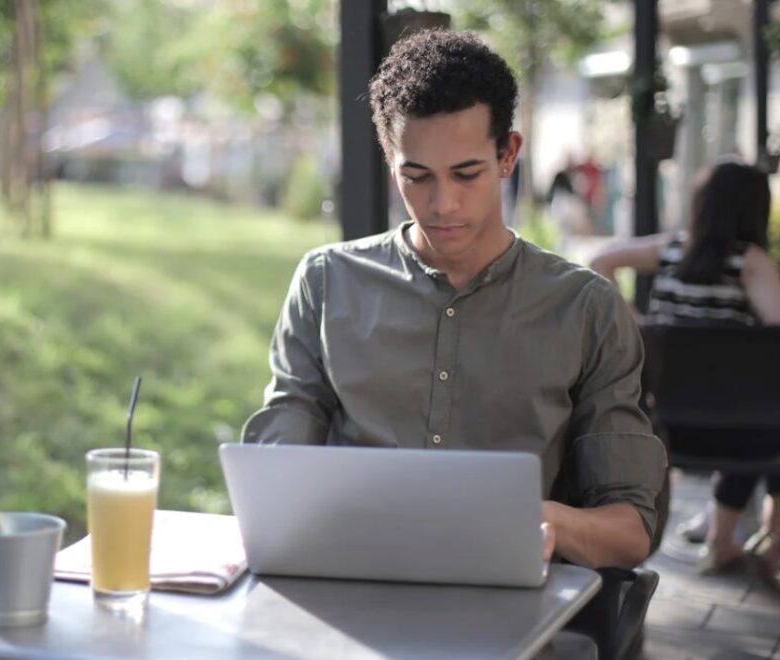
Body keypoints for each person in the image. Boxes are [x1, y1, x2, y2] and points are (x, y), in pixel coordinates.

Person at [242, 29, 666, 570]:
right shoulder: (327, 282)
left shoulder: (586, 309)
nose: (442, 204)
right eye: (415, 176)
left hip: (509, 605)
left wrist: (533, 519)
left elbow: (629, 532)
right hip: (351, 584)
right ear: (390, 159)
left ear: (508, 154)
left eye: (467, 173)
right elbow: (276, 478)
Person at [590, 161, 780, 586]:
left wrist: (637, 323)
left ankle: (729, 538)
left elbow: (599, 261)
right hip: (742, 433)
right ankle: (740, 541)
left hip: (665, 427)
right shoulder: (750, 262)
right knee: (771, 416)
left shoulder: (671, 249)